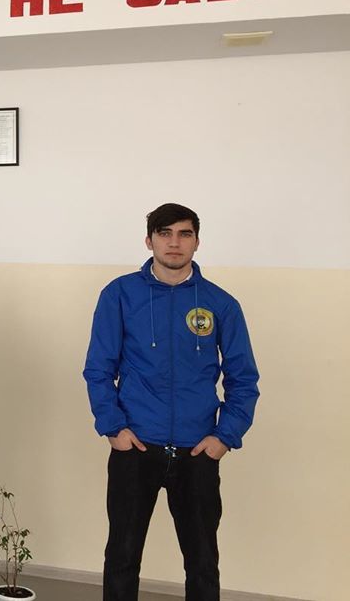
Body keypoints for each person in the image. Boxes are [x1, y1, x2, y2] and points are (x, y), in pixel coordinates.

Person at [83, 203, 260, 601]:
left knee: (202, 563)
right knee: (122, 557)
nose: (174, 243)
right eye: (165, 234)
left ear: (197, 242)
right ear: (149, 241)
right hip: (135, 447)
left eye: (184, 234)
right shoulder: (120, 295)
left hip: (197, 451)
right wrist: (113, 427)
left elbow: (244, 379)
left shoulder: (221, 304)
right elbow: (98, 368)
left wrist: (224, 437)